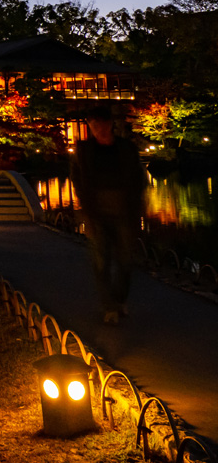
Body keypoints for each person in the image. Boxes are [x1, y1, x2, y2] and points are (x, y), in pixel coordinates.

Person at [71, 105, 147, 324]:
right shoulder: (84, 150)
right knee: (101, 260)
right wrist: (84, 205)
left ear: (110, 124)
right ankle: (109, 306)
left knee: (125, 259)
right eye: (93, 126)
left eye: (101, 124)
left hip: (123, 209)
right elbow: (77, 178)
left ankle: (120, 299)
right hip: (96, 211)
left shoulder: (126, 148)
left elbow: (138, 177)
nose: (98, 130)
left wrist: (138, 203)